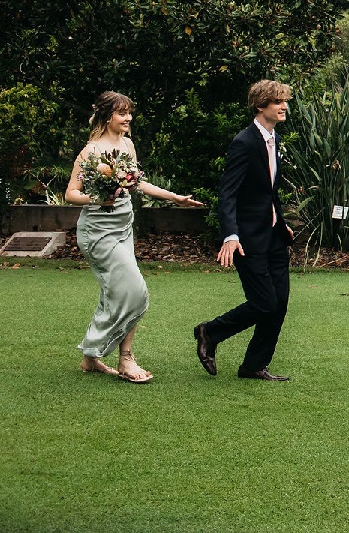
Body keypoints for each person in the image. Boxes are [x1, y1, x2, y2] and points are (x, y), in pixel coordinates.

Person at [65, 91, 204, 383]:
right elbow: (71, 194)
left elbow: (137, 183)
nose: (128, 118)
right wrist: (98, 199)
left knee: (113, 293)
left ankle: (91, 357)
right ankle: (126, 359)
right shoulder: (90, 151)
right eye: (122, 113)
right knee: (136, 291)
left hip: (123, 227)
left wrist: (174, 197)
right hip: (98, 231)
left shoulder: (127, 145)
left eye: (129, 112)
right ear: (107, 116)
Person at [194, 80, 298, 382]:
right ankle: (210, 332)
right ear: (260, 105)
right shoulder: (244, 142)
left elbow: (268, 190)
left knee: (278, 304)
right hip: (247, 239)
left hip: (274, 235)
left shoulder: (275, 139)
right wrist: (230, 235)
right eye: (277, 101)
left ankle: (254, 365)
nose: (284, 106)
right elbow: (228, 193)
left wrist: (281, 221)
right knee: (264, 303)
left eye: (285, 101)